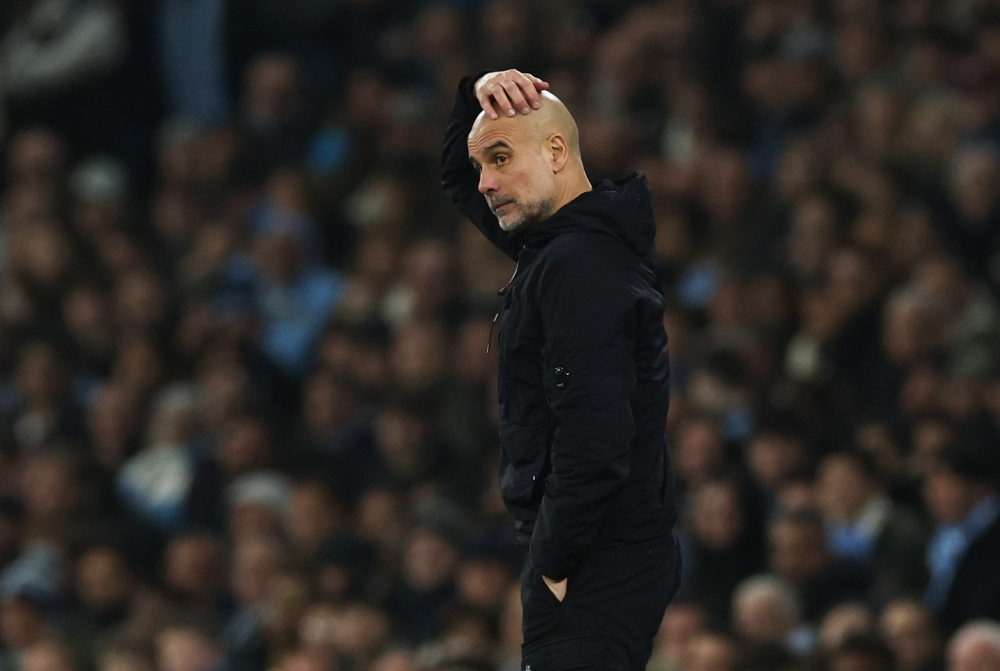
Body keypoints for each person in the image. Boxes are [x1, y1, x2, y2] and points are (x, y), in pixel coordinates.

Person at [442, 69, 679, 670]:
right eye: (483, 167)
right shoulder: (569, 244)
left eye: (500, 157)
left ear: (555, 151)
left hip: (593, 560)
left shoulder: (578, 265)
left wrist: (552, 562)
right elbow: (455, 178)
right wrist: (481, 87)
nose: (487, 183)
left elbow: (594, 436)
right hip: (599, 554)